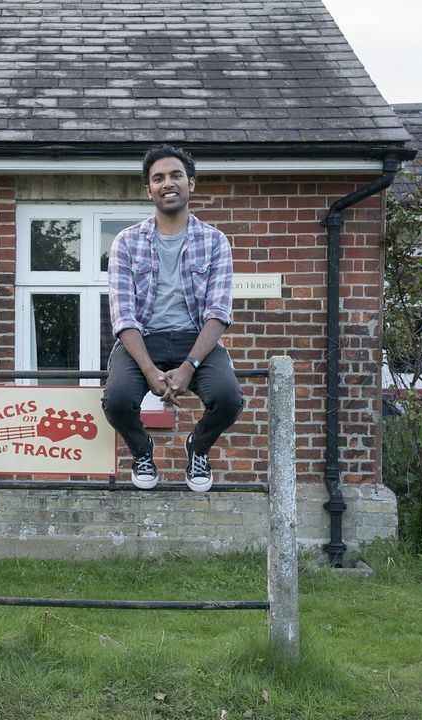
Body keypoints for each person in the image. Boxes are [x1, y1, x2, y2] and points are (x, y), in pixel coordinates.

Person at [101, 144, 243, 492]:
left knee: (228, 398)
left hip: (195, 338)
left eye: (176, 175)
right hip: (143, 339)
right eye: (158, 178)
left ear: (190, 183)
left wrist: (189, 366)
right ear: (148, 189)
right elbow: (123, 315)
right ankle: (142, 450)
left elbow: (218, 312)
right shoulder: (126, 242)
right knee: (116, 400)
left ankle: (198, 448)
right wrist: (150, 371)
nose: (168, 183)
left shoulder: (215, 241)